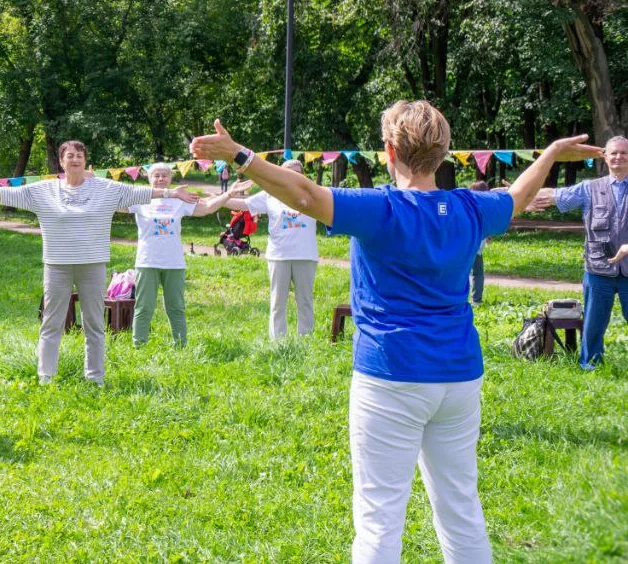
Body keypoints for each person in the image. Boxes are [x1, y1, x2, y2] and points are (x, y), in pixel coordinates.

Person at [190, 101, 598, 563]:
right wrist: (549, 154)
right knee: (460, 508)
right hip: (459, 377)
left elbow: (303, 195)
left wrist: (238, 155)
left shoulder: (380, 208)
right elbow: (520, 196)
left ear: (388, 152)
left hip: (390, 376)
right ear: (443, 154)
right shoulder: (471, 207)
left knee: (379, 518)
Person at [0, 141, 199, 385]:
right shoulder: (44, 191)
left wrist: (170, 193)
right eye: (70, 155)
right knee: (52, 321)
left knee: (94, 323)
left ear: (85, 160)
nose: (75, 159)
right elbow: (11, 193)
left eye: (80, 155)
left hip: (93, 265)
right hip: (57, 265)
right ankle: (46, 377)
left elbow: (137, 192)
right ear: (61, 161)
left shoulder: (105, 188)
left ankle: (95, 378)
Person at [123, 163, 250, 347]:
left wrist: (228, 194)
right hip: (146, 261)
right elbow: (116, 204)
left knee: (176, 307)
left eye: (164, 175)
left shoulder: (179, 199)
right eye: (156, 176)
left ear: (170, 178)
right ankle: (139, 346)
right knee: (143, 307)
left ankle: (181, 346)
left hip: (174, 263)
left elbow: (207, 207)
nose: (160, 179)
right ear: (149, 179)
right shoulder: (141, 199)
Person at [529, 135, 628, 369]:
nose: (618, 157)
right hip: (598, 270)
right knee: (593, 323)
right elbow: (554, 196)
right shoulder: (589, 188)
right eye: (613, 152)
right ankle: (591, 364)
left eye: (624, 153)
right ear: (604, 156)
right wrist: (517, 194)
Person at [225, 159, 321, 339]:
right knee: (278, 302)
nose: (293, 176)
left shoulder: (314, 194)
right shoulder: (270, 194)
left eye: (297, 172)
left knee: (305, 301)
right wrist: (225, 196)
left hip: (306, 255)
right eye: (289, 172)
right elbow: (243, 205)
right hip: (279, 256)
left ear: (303, 175)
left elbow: (336, 204)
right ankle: (278, 341)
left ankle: (307, 339)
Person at [468, 181, 490, 305]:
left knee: (461, 272)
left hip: (466, 244)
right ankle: (476, 300)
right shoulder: (485, 206)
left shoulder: (468, 204)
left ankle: (456, 299)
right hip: (476, 246)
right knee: (478, 273)